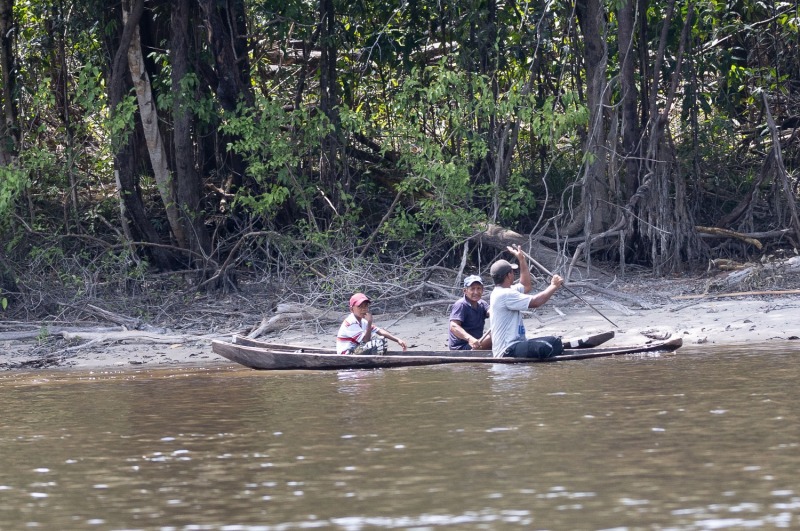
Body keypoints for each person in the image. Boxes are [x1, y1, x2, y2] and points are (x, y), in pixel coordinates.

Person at [489, 245, 564, 358]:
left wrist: (522, 260)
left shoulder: (505, 291)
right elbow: (536, 302)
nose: (514, 274)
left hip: (516, 344)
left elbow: (526, 285)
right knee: (550, 345)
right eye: (513, 272)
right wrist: (553, 286)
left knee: (555, 341)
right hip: (507, 349)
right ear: (508, 275)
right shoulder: (505, 294)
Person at [336, 293, 408, 355]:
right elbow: (365, 340)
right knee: (377, 343)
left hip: (355, 349)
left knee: (382, 340)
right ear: (351, 309)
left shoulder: (362, 321)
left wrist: (397, 340)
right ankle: (375, 362)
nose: (364, 309)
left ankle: (376, 361)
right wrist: (369, 322)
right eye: (360, 307)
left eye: (365, 306)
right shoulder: (350, 322)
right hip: (347, 353)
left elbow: (379, 331)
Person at [448, 275, 492, 350]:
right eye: (472, 289)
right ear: (465, 291)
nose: (476, 292)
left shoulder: (482, 303)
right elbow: (453, 326)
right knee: (493, 337)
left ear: (482, 290)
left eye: (479, 288)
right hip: (461, 347)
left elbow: (491, 311)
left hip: (477, 343)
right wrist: (470, 339)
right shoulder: (461, 305)